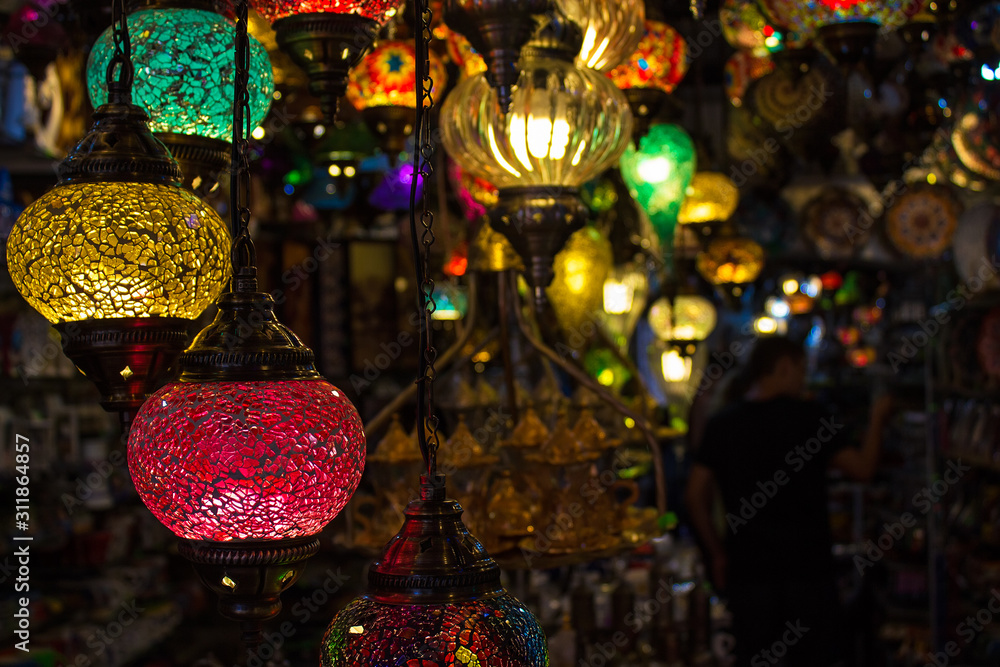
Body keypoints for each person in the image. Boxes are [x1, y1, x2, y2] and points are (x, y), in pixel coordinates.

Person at [684, 336, 893, 667]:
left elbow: (695, 495)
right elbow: (863, 469)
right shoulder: (811, 417)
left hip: (749, 574)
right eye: (800, 370)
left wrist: (717, 552)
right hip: (808, 574)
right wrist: (878, 417)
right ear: (783, 367)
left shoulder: (723, 424)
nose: (803, 379)